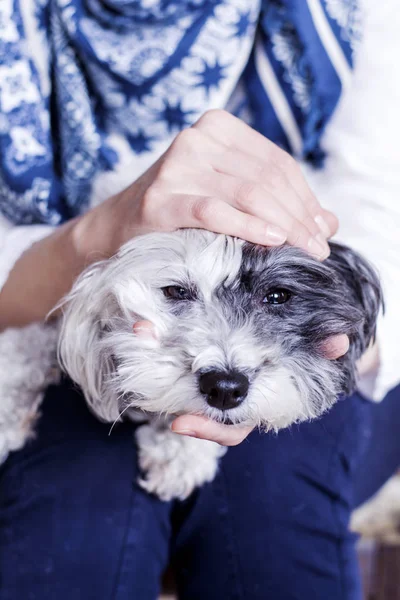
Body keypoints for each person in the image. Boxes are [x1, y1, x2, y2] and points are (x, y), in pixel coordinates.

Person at [0, 1, 399, 598]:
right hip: (53, 306)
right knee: (77, 498)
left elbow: (383, 217)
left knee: (270, 487)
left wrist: (341, 341)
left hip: (333, 345)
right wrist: (93, 235)